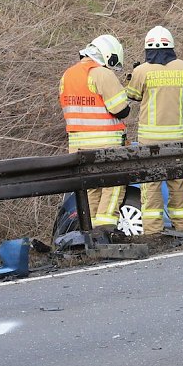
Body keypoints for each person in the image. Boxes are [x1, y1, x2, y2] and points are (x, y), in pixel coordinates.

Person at [125, 26, 183, 235]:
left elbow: (132, 96)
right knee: (178, 184)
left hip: (150, 141)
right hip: (179, 140)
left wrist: (131, 76)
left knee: (150, 187)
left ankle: (152, 232)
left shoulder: (142, 71)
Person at [59, 34, 130, 230]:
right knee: (112, 188)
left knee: (90, 191)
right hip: (106, 146)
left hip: (77, 149)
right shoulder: (102, 74)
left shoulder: (67, 75)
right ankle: (105, 232)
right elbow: (121, 110)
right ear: (108, 56)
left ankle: (88, 233)